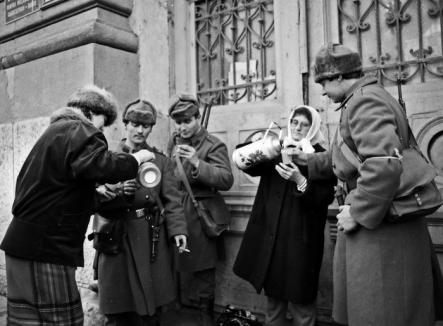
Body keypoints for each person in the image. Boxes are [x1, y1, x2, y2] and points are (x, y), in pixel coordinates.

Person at [291, 43, 443, 325]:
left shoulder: (363, 101)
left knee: (383, 313)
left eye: (323, 81)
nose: (322, 91)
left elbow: (382, 163)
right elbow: (352, 156)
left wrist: (358, 211)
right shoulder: (362, 97)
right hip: (384, 222)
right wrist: (306, 161)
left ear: (338, 76)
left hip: (381, 231)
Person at [0, 85, 155, 326]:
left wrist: (102, 197)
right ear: (89, 112)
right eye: (102, 126)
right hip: (46, 249)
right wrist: (135, 160)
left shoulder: (55, 133)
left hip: (22, 244)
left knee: (27, 321)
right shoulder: (78, 128)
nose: (100, 133)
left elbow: (61, 193)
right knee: (62, 321)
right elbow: (101, 165)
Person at [232, 106, 335, 326]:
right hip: (274, 240)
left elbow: (325, 197)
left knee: (302, 308)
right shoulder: (277, 149)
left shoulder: (319, 156)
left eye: (304, 124)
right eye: (295, 122)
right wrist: (272, 145)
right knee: (274, 306)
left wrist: (300, 180)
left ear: (313, 127)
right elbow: (241, 159)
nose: (298, 128)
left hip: (301, 243)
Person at [95, 99, 188, 326]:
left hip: (147, 236)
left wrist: (178, 231)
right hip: (116, 233)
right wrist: (117, 190)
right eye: (135, 124)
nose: (139, 130)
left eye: (145, 126)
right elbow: (95, 195)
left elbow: (173, 201)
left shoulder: (160, 162)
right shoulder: (106, 158)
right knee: (118, 302)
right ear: (125, 124)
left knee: (149, 305)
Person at [167, 94, 234, 326]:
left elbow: (226, 179)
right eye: (178, 122)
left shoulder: (213, 144)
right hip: (176, 212)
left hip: (200, 214)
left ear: (198, 119)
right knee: (174, 269)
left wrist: (197, 162)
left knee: (204, 274)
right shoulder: (174, 141)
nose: (182, 127)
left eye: (187, 121)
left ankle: (205, 320)